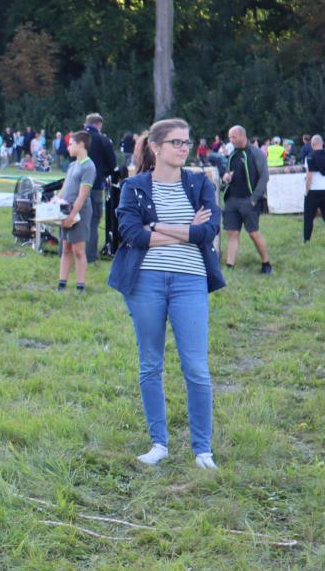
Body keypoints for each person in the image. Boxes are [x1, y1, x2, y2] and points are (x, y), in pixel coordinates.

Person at [108, 119, 223, 469]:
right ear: (156, 147)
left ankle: (202, 450)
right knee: (150, 364)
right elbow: (132, 234)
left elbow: (208, 231)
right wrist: (186, 228)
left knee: (196, 368)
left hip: (190, 280)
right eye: (176, 142)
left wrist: (156, 225)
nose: (184, 148)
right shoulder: (134, 187)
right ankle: (159, 443)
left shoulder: (200, 183)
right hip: (146, 281)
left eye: (187, 142)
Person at [221, 125, 271, 273]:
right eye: (229, 137)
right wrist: (226, 177)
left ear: (242, 136)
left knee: (253, 233)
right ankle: (230, 266)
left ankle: (266, 264)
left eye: (233, 137)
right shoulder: (233, 154)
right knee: (232, 233)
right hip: (232, 200)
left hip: (249, 201)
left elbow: (264, 177)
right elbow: (228, 173)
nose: (230, 140)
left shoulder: (256, 153)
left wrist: (254, 199)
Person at [57, 131, 95, 292]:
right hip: (65, 211)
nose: (68, 147)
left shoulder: (89, 166)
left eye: (71, 144)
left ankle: (80, 286)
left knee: (78, 250)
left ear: (81, 145)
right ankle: (62, 283)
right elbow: (64, 188)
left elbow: (83, 195)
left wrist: (72, 216)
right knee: (66, 248)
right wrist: (54, 202)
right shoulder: (73, 165)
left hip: (79, 213)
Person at [83, 113, 117, 261]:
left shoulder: (78, 138)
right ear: (99, 125)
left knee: (76, 218)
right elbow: (112, 165)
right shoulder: (103, 140)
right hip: (95, 185)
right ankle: (89, 255)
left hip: (76, 184)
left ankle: (70, 253)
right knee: (93, 220)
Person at [304, 135, 325, 243]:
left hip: (313, 190)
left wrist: (306, 190)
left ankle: (307, 240)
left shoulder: (309, 157)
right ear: (322, 143)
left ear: (312, 144)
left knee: (309, 217)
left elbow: (309, 177)